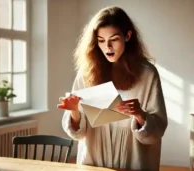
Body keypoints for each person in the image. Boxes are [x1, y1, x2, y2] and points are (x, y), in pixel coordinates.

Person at [57, 6, 168, 171]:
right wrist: (74, 111)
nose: (107, 46)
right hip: (93, 164)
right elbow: (78, 135)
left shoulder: (147, 74)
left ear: (128, 36)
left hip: (133, 163)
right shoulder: (86, 72)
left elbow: (156, 132)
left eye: (114, 39)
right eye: (101, 40)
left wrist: (140, 115)